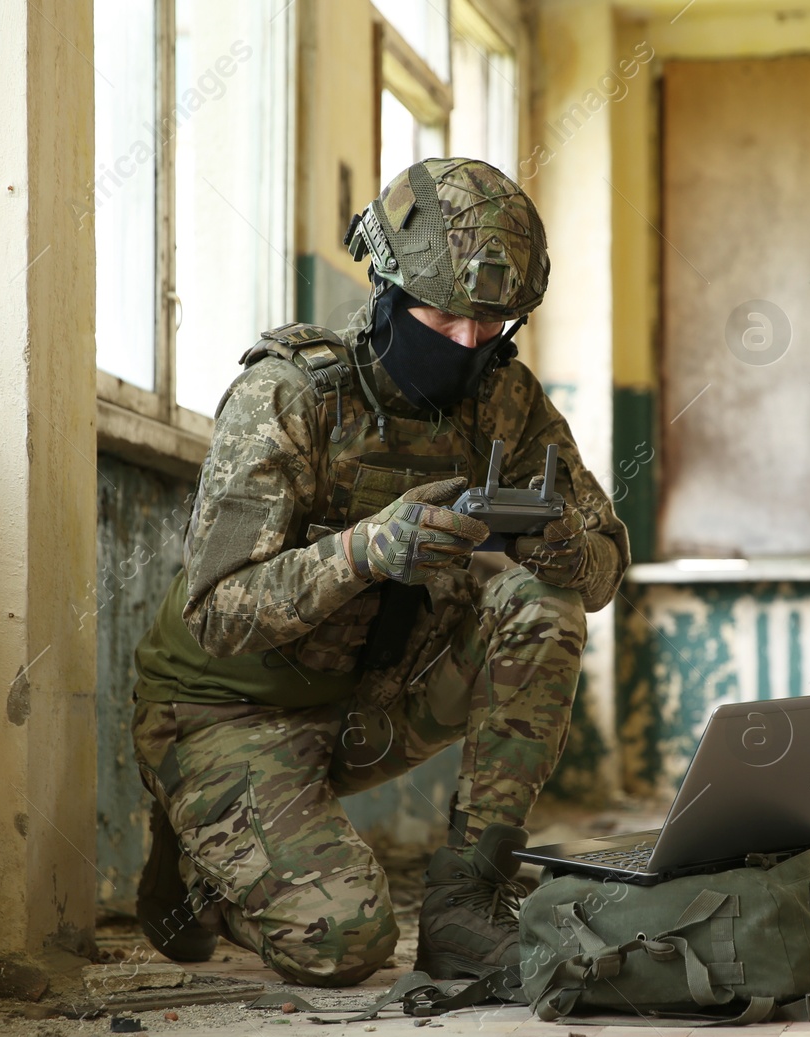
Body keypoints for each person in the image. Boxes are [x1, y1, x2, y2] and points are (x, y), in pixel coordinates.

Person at [127, 158, 630, 988]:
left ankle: (469, 898)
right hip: (225, 708)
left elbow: (606, 569)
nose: (469, 342)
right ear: (388, 289)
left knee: (543, 604)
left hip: (374, 698)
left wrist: (561, 547)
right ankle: (199, 864)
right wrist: (365, 549)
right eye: (446, 318)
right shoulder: (291, 395)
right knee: (343, 944)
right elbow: (219, 611)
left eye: (493, 324)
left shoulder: (503, 398)